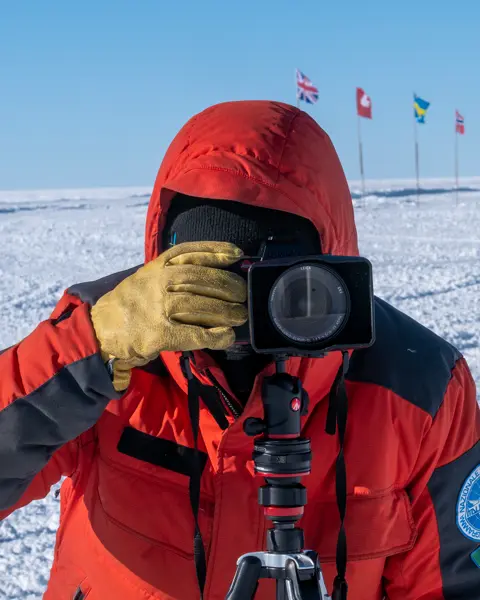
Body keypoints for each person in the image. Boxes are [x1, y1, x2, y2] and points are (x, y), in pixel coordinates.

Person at [0, 100, 478, 600]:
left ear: (329, 262)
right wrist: (92, 348)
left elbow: (453, 585)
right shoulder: (113, 342)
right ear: (163, 261)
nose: (240, 314)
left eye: (280, 287)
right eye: (208, 282)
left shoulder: (420, 388)